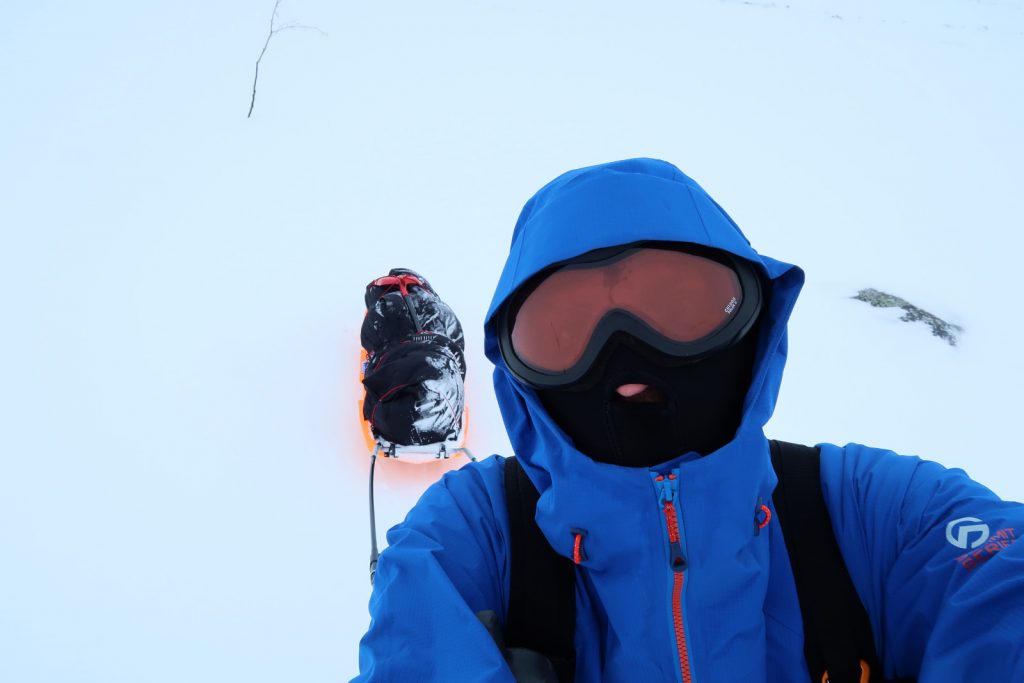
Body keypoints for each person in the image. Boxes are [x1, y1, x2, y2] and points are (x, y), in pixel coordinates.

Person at [354, 158, 1024, 682]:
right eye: (563, 332)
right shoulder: (475, 537)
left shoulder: (875, 519)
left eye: (680, 304)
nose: (625, 354)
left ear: (751, 328)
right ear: (522, 379)